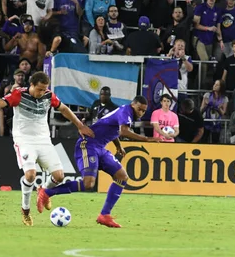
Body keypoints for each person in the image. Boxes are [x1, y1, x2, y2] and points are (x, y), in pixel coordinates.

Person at [0, 72, 94, 226]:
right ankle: (25, 210)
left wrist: (79, 125)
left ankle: (44, 193)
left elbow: (64, 109)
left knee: (59, 176)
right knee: (30, 175)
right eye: (39, 89)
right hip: (24, 140)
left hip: (44, 141)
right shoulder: (18, 94)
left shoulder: (49, 95)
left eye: (44, 89)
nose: (42, 93)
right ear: (32, 85)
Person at [36, 96, 158, 228]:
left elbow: (113, 127)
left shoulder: (125, 113)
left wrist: (117, 145)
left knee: (122, 177)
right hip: (88, 145)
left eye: (144, 111)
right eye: (139, 109)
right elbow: (123, 131)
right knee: (88, 184)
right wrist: (145, 139)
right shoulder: (126, 111)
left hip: (100, 147)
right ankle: (46, 192)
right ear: (133, 105)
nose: (141, 113)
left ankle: (104, 215)